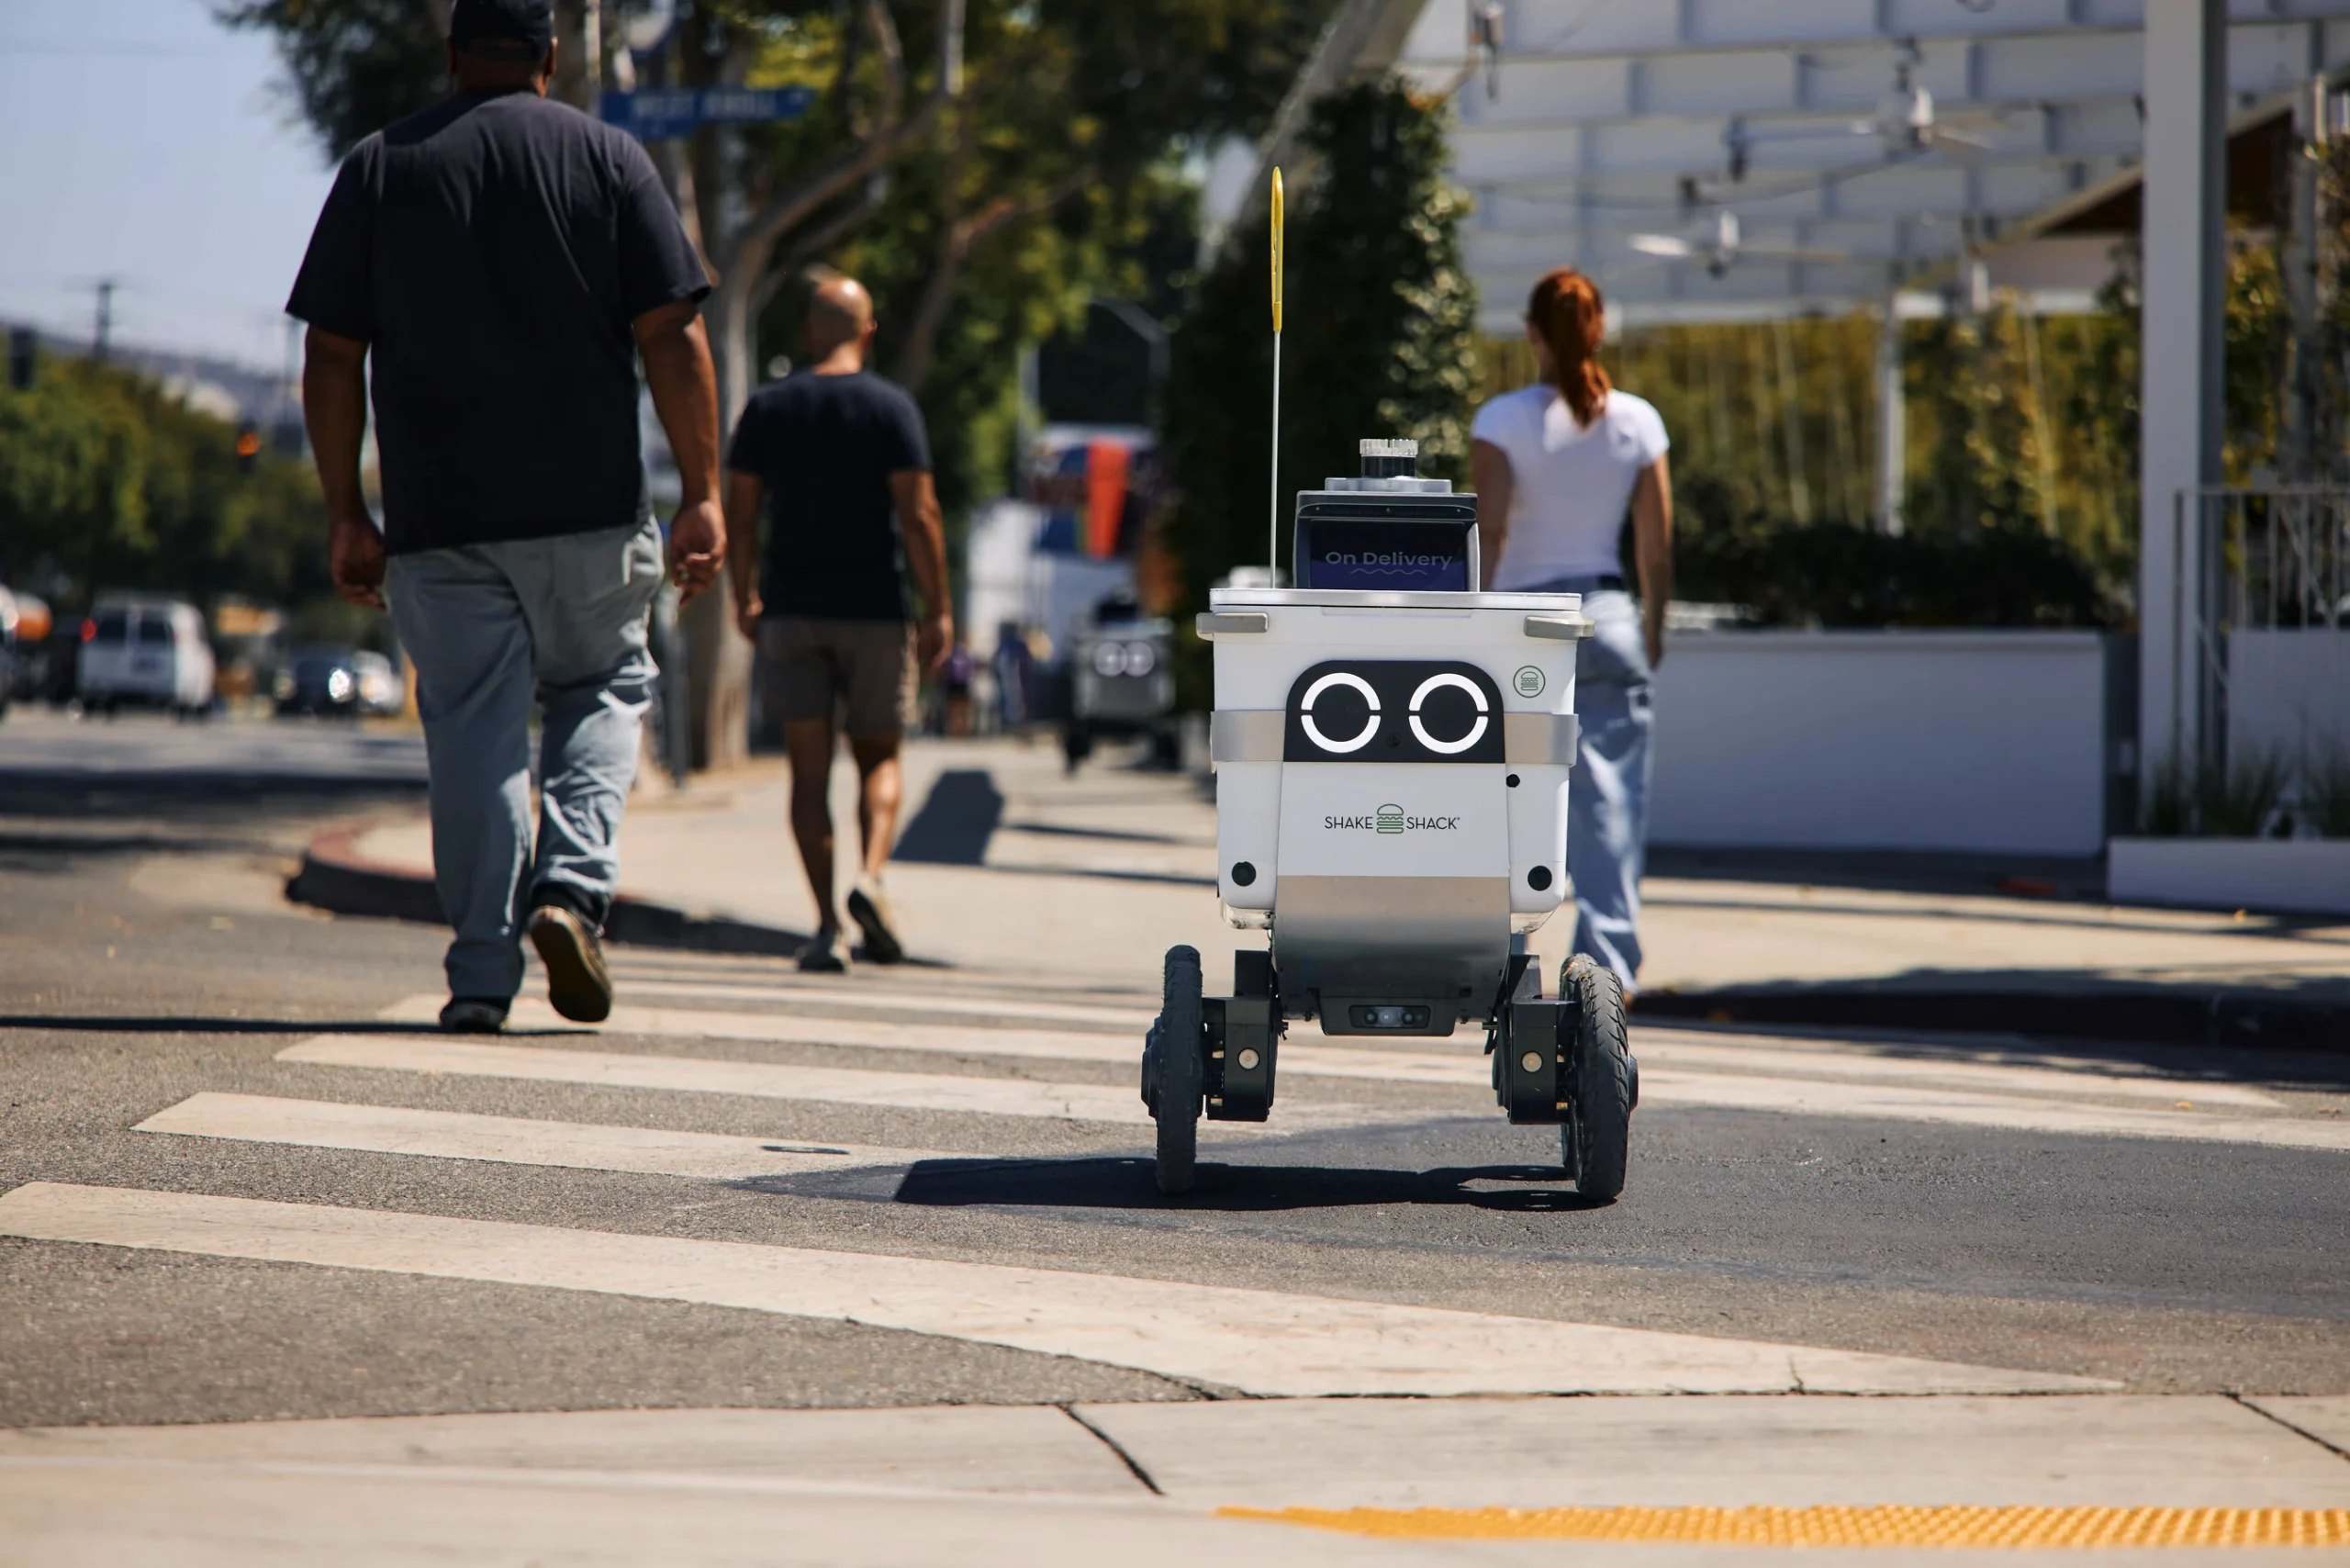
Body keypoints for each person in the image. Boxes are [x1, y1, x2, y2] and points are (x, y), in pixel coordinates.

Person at [287, 0, 724, 1033]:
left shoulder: (380, 169)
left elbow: (331, 354)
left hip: (440, 518)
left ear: (450, 56)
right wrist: (702, 493)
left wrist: (347, 511)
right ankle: (570, 891)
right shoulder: (611, 160)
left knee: (476, 735)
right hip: (589, 511)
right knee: (603, 686)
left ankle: (481, 973)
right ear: (553, 57)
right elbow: (673, 337)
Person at [725, 275, 952, 972]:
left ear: (809, 332)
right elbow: (918, 516)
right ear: (869, 331)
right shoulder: (890, 408)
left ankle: (827, 926)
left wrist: (746, 595)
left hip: (791, 611)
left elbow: (740, 515)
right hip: (876, 611)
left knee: (807, 774)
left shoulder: (767, 408)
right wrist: (938, 606)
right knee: (880, 759)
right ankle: (872, 877)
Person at [1470, 266, 1673, 995]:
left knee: (1498, 795)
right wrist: (1652, 629)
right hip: (1608, 620)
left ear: (1531, 334)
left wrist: (1473, 628)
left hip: (1521, 629)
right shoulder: (1639, 422)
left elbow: (1489, 531)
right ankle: (1606, 974)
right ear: (1599, 330)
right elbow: (1655, 547)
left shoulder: (1499, 421)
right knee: (1609, 806)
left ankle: (1488, 957)